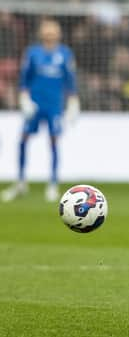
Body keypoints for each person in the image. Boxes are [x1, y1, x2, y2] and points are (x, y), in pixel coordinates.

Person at [2, 19, 80, 203]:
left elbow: (70, 80)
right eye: (47, 31)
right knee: (23, 139)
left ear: (58, 33)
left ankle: (53, 183)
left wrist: (73, 101)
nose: (50, 34)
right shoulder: (33, 53)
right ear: (42, 33)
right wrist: (24, 98)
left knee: (53, 141)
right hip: (35, 104)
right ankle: (20, 182)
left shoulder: (65, 54)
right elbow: (24, 78)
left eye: (53, 31)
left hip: (54, 105)